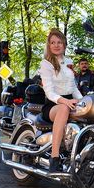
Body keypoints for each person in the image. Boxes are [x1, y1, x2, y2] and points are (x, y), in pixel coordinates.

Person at [39, 29, 83, 173]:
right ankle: (55, 157)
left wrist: (84, 100)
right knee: (64, 108)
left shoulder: (68, 62)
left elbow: (73, 87)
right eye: (52, 42)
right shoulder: (46, 64)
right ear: (49, 45)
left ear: (64, 44)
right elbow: (49, 91)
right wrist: (64, 101)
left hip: (70, 100)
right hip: (53, 104)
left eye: (59, 42)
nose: (56, 45)